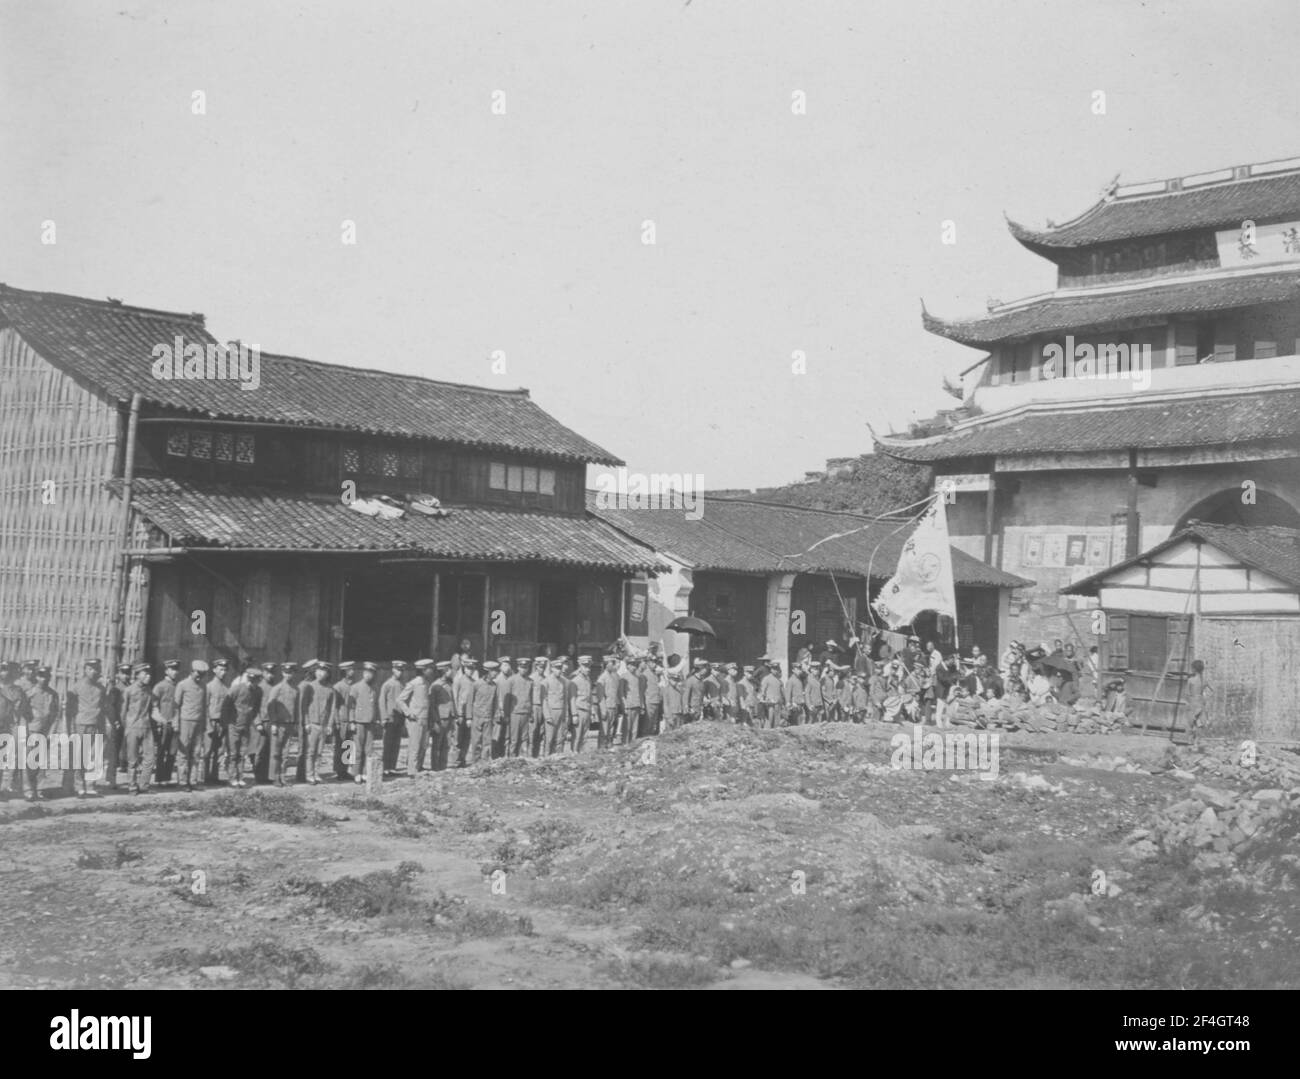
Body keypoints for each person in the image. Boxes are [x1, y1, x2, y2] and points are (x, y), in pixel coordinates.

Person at [67, 658, 108, 797]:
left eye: (96, 669)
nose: (93, 672)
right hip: (81, 724)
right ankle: (79, 786)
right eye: (90, 668)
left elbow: (103, 708)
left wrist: (103, 728)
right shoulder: (76, 687)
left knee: (94, 756)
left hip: (96, 724)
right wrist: (71, 729)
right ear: (85, 669)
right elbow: (70, 710)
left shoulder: (101, 689)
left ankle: (90, 785)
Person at [173, 660, 209, 792]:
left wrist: (204, 724)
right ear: (191, 671)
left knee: (196, 753)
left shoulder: (203, 686)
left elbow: (204, 706)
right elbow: (176, 707)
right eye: (198, 673)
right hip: (185, 722)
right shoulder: (182, 685)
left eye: (202, 674)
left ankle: (193, 781)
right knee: (183, 753)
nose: (199, 676)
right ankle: (182, 782)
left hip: (198, 723)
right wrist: (176, 724)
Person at [24, 665, 59, 801]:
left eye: (46, 676)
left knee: (42, 761)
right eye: (41, 676)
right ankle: (28, 790)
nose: (43, 679)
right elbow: (23, 713)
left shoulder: (53, 694)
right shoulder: (29, 693)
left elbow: (56, 715)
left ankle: (40, 789)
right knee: (28, 761)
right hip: (31, 730)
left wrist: (52, 732)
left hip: (45, 731)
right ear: (36, 677)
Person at [300, 660, 337, 785]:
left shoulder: (330, 690)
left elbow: (332, 708)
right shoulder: (309, 687)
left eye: (324, 671)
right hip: (312, 724)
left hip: (323, 725)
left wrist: (330, 725)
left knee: (320, 752)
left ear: (327, 674)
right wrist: (306, 722)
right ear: (315, 672)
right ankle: (309, 775)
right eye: (319, 671)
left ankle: (316, 773)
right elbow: (304, 706)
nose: (321, 674)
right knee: (311, 752)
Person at [226, 663, 262, 788]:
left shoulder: (258, 691)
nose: (252, 683)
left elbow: (256, 708)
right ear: (247, 678)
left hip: (246, 726)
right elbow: (226, 705)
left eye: (255, 681)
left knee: (242, 753)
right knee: (233, 753)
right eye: (250, 680)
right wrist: (228, 722)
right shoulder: (237, 689)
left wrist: (252, 720)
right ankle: (232, 778)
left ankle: (240, 777)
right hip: (234, 725)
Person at [265, 661, 300, 787]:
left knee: (285, 753)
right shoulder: (277, 688)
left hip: (289, 724)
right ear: (282, 673)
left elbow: (296, 708)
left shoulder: (296, 689)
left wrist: (296, 722)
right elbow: (270, 706)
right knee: (276, 752)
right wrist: (273, 722)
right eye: (285, 673)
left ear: (294, 674)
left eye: (290, 673)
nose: (288, 675)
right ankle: (274, 777)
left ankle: (283, 776)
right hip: (278, 724)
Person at [122, 663, 155, 794]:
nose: (149, 676)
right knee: (132, 759)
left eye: (149, 673)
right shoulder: (129, 691)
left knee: (150, 758)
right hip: (133, 728)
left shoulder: (149, 690)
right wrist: (126, 728)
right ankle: (132, 786)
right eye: (145, 673)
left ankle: (144, 786)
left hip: (147, 727)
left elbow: (153, 709)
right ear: (137, 675)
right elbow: (123, 712)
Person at [349, 661, 383, 783]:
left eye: (371, 673)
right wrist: (352, 721)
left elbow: (375, 705)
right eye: (367, 672)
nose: (368, 675)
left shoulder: (375, 688)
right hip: (359, 722)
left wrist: (377, 719)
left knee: (369, 749)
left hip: (370, 722)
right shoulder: (356, 687)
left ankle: (365, 772)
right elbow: (351, 706)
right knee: (357, 748)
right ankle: (355, 772)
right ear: (363, 673)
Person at [399, 659, 433, 776]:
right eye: (429, 668)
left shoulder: (427, 683)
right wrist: (408, 713)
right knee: (415, 745)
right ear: (423, 670)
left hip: (424, 718)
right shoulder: (414, 683)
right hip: (415, 719)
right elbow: (400, 699)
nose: (431, 670)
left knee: (423, 745)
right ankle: (412, 771)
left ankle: (419, 766)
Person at [151, 659, 181, 785]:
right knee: (162, 751)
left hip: (175, 723)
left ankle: (167, 778)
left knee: (172, 752)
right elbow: (154, 706)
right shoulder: (160, 686)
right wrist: (160, 720)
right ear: (166, 671)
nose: (175, 672)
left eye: (176, 670)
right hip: (163, 723)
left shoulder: (178, 686)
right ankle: (159, 778)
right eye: (172, 669)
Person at [205, 658, 231, 785]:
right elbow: (204, 707)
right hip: (211, 722)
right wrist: (208, 725)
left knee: (219, 751)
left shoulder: (226, 689)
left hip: (222, 723)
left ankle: (214, 777)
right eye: (221, 669)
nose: (223, 672)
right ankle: (205, 777)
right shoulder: (209, 687)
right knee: (208, 751)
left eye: (225, 670)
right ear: (214, 670)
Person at [380, 660, 409, 776]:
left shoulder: (403, 684)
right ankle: (385, 767)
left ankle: (392, 767)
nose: (400, 673)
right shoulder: (388, 684)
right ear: (393, 670)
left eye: (401, 671)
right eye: (398, 670)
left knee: (396, 743)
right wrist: (384, 717)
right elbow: (382, 701)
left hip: (399, 717)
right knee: (388, 743)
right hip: (390, 717)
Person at [105, 662, 131, 790]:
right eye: (124, 673)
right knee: (114, 752)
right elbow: (110, 707)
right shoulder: (115, 689)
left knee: (127, 751)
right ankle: (111, 779)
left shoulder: (131, 688)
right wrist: (114, 721)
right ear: (118, 674)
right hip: (118, 724)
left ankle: (130, 779)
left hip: (129, 723)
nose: (126, 676)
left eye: (128, 673)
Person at [330, 661, 356, 781]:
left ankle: (346, 770)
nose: (353, 672)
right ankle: (339, 771)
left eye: (352, 670)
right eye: (350, 670)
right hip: (341, 720)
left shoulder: (353, 686)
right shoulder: (338, 687)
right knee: (340, 746)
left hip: (351, 721)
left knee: (349, 745)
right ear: (345, 672)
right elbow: (334, 706)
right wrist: (336, 721)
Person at [470, 661, 498, 765]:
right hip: (477, 717)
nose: (496, 673)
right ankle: (475, 762)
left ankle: (485, 762)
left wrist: (495, 716)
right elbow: (470, 701)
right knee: (476, 741)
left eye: (496, 671)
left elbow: (495, 701)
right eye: (494, 671)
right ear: (488, 672)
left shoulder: (494, 685)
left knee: (487, 742)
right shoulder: (477, 684)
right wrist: (469, 717)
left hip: (488, 716)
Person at [429, 661, 456, 770]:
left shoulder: (449, 684)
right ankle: (435, 767)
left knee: (446, 743)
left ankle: (443, 766)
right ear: (444, 671)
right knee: (437, 745)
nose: (451, 672)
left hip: (449, 717)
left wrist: (454, 715)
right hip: (440, 719)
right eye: (449, 670)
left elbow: (452, 701)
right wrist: (435, 721)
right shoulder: (436, 686)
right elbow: (432, 705)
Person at [569, 655, 596, 752]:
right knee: (576, 735)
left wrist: (592, 711)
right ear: (580, 666)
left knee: (585, 736)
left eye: (589, 666)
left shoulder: (588, 680)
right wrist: (574, 714)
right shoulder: (574, 680)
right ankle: (574, 752)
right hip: (579, 710)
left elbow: (590, 696)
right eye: (585, 666)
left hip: (587, 710)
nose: (588, 669)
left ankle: (581, 754)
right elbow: (572, 699)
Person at [543, 658, 570, 753]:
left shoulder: (564, 682)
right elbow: (544, 700)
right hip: (551, 712)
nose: (559, 670)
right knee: (549, 738)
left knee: (560, 738)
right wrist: (547, 716)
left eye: (560, 668)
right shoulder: (546, 682)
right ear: (552, 669)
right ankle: (547, 758)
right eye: (557, 668)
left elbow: (565, 699)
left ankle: (558, 758)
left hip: (561, 712)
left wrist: (566, 715)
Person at [596, 655, 621, 749]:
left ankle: (609, 747)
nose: (613, 665)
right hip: (606, 707)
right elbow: (600, 696)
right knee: (604, 732)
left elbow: (615, 693)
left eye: (613, 663)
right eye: (611, 663)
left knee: (611, 731)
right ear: (606, 665)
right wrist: (603, 710)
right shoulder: (602, 678)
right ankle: (601, 749)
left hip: (613, 706)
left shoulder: (614, 676)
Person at [619, 657, 644, 744]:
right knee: (627, 728)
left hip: (636, 705)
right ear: (627, 666)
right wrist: (624, 705)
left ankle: (633, 745)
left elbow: (640, 692)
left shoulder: (637, 677)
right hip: (629, 705)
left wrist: (642, 705)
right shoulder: (624, 677)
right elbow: (621, 693)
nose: (634, 667)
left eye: (635, 665)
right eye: (632, 665)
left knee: (634, 729)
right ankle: (625, 745)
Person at [1185, 659, 1210, 745]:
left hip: (1193, 703)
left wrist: (1187, 702)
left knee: (1191, 723)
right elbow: (1211, 691)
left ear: (1194, 669)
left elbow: (1187, 694)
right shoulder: (1204, 680)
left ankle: (1189, 742)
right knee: (1199, 724)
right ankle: (1196, 742)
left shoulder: (1190, 680)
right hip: (1201, 703)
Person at [758, 662, 784, 730]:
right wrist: (762, 699)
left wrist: (784, 703)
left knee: (777, 722)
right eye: (774, 669)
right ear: (771, 669)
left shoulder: (779, 681)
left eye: (777, 669)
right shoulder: (766, 679)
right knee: (769, 721)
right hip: (770, 705)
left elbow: (782, 693)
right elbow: (762, 691)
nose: (776, 670)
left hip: (778, 704)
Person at [662, 665, 686, 731]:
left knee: (679, 732)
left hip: (679, 713)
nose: (675, 681)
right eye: (673, 679)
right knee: (670, 734)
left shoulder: (679, 689)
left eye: (677, 679)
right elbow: (665, 705)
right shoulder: (666, 689)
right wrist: (668, 717)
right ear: (670, 679)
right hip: (671, 714)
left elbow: (684, 693)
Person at [643, 657, 664, 736]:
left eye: (655, 662)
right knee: (648, 723)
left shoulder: (655, 674)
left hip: (656, 700)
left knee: (653, 723)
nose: (654, 664)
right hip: (649, 701)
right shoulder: (645, 674)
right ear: (648, 663)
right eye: (652, 662)